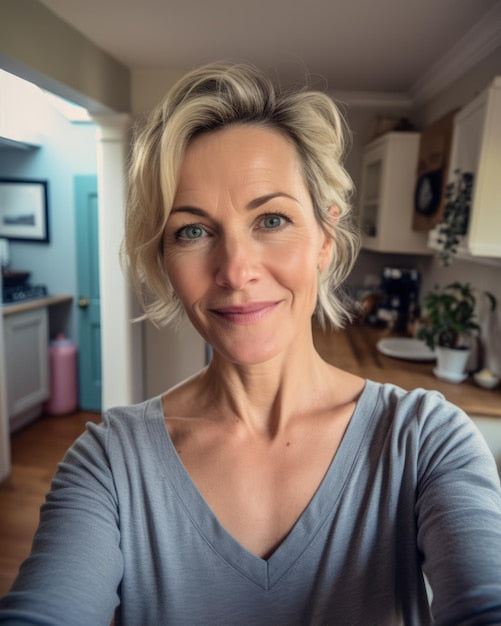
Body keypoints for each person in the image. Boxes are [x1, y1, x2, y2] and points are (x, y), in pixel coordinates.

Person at [1, 62, 500, 626]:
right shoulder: (110, 465)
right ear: (164, 261)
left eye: (271, 219)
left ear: (325, 239)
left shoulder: (425, 442)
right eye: (192, 230)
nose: (236, 271)